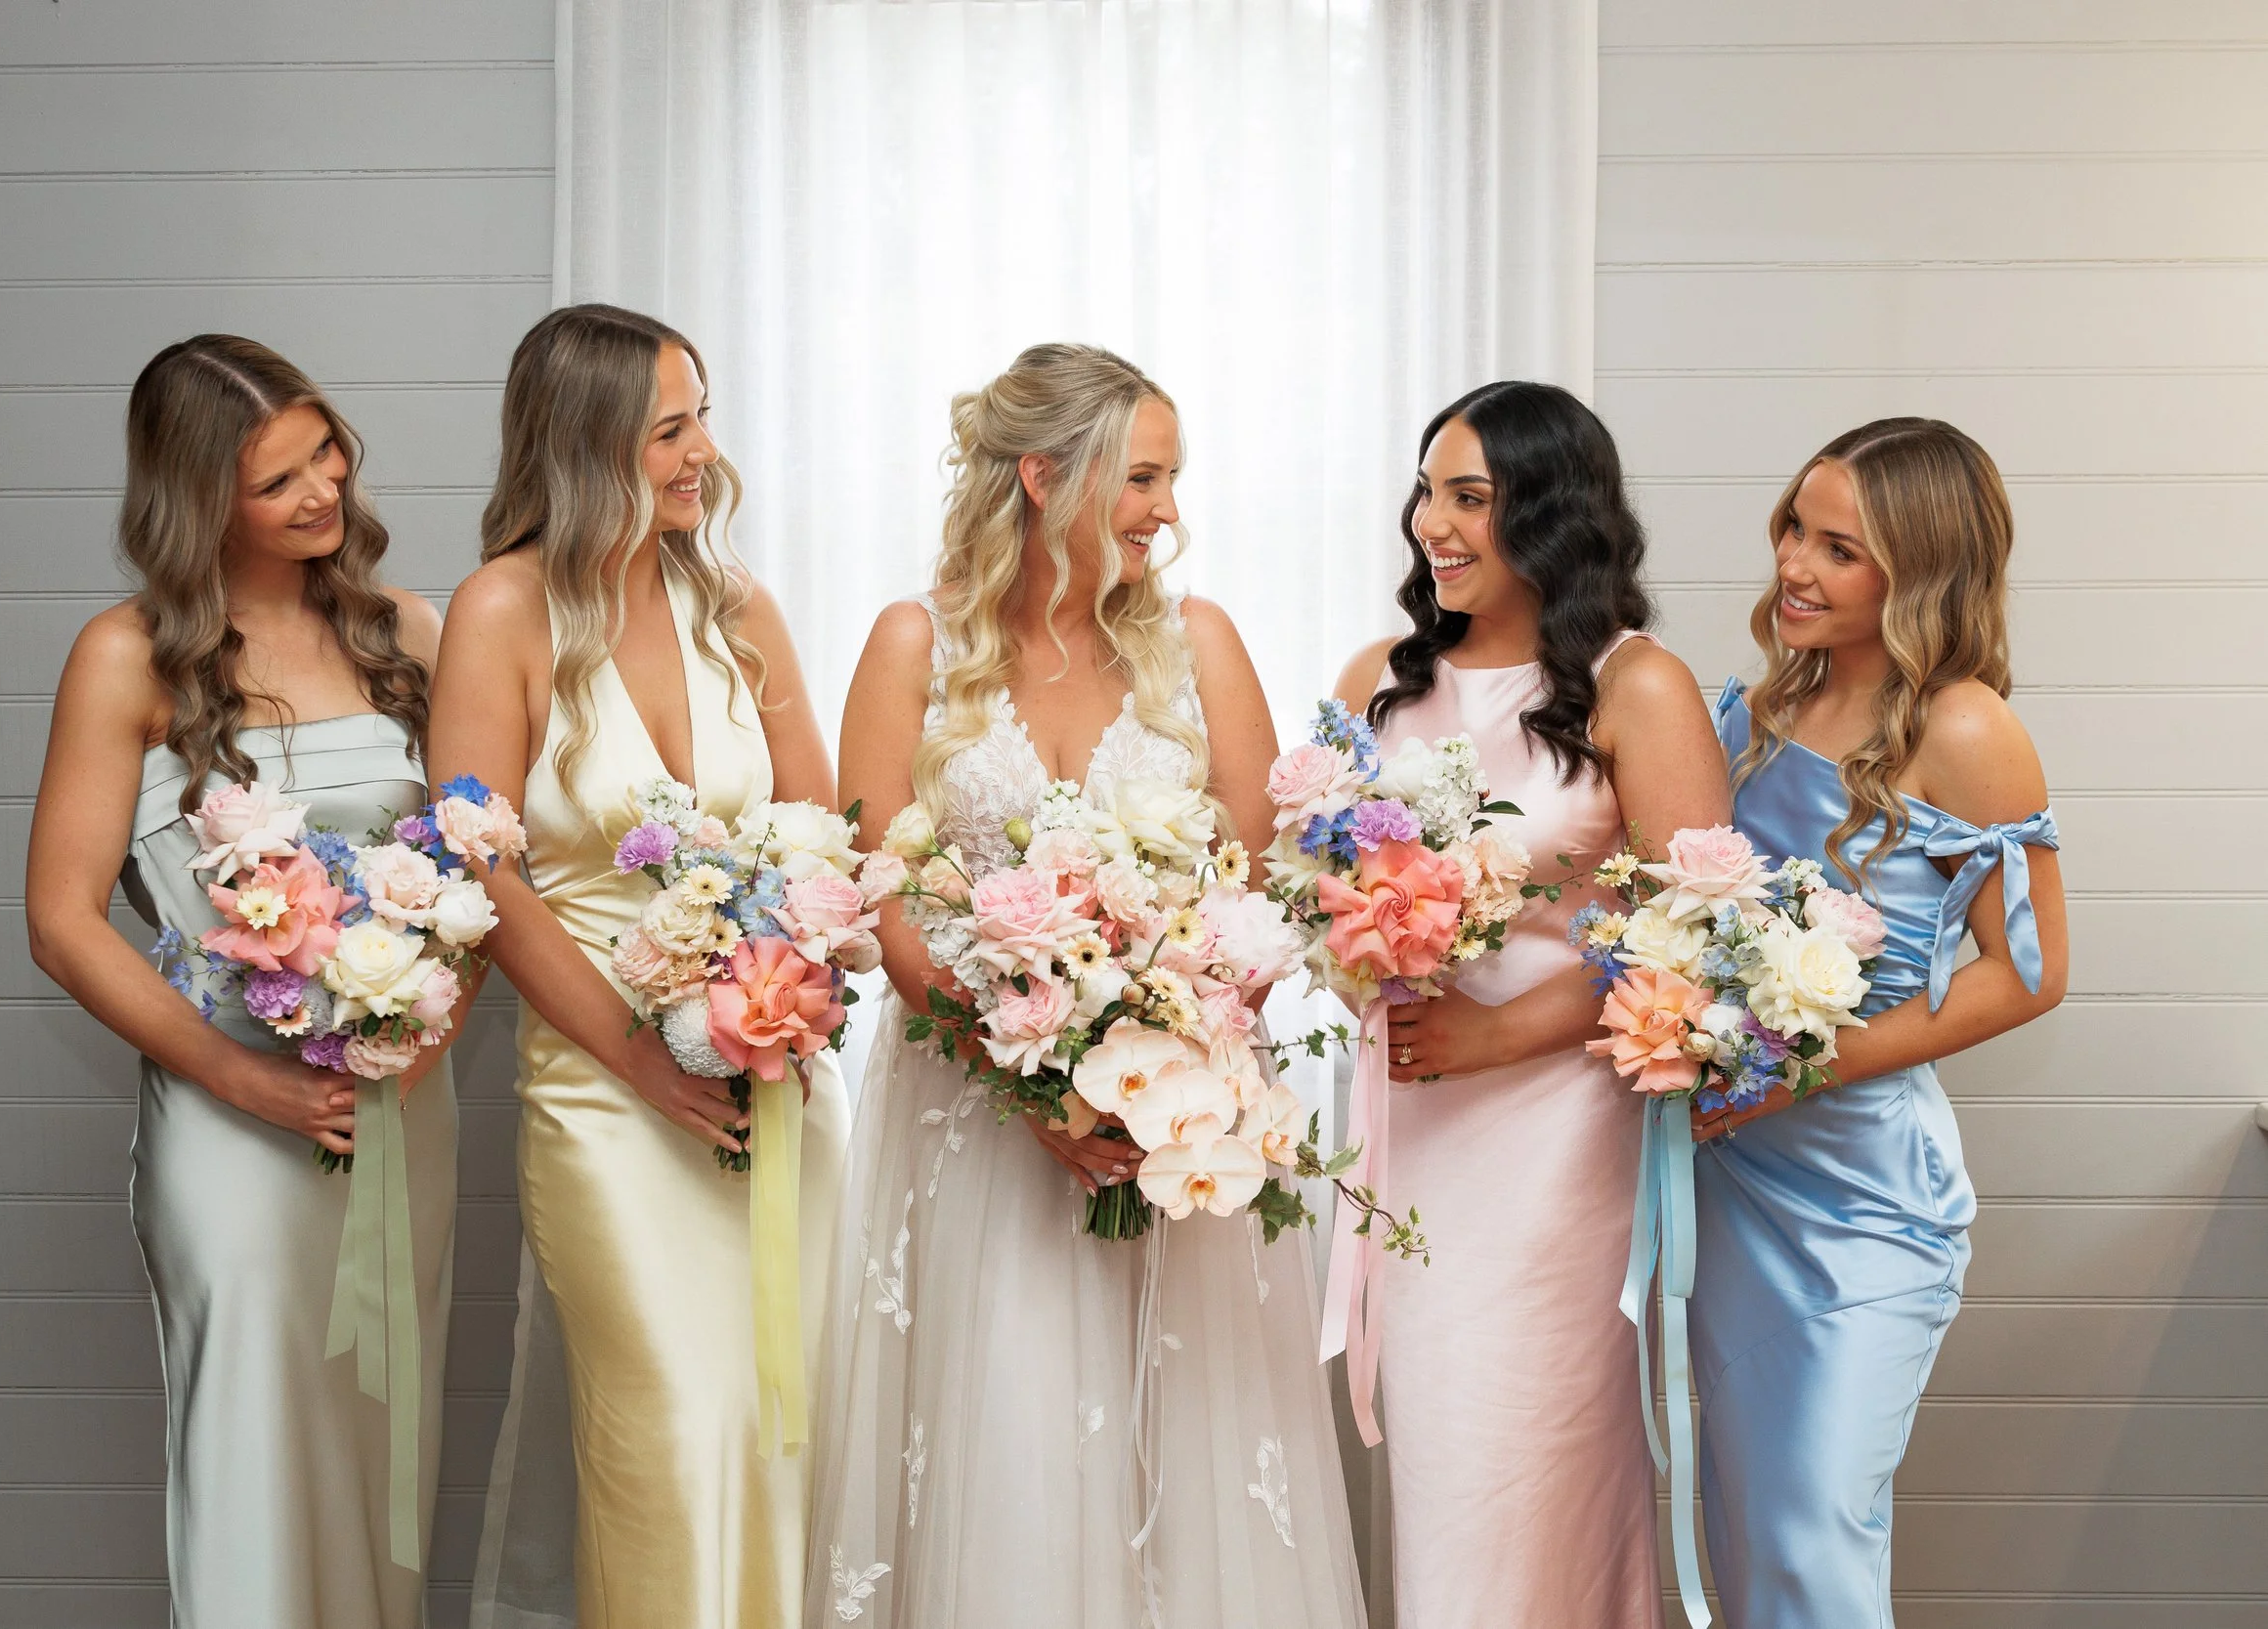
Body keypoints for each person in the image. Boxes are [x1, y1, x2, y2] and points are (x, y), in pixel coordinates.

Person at [810, 343, 1367, 1627]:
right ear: (1043, 474)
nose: (1168, 509)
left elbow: (1253, 875)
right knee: (1005, 1422)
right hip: (973, 1115)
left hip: (1180, 1122)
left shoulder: (1197, 641)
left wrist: (1154, 1062)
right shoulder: (914, 641)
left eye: (1172, 479)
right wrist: (1037, 1086)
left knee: (1189, 1447)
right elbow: (886, 891)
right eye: (1146, 476)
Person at [24, 334, 454, 1627]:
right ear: (200, 498)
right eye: (279, 480)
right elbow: (61, 916)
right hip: (231, 1119)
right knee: (256, 1451)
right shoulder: (126, 656)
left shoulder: (408, 631)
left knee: (383, 1454)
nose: (323, 489)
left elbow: (480, 872)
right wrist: (241, 1078)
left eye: (326, 449)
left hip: (398, 1114)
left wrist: (434, 1030)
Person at [431, 303, 846, 1629]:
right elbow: (480, 871)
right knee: (666, 1430)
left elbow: (815, 826)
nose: (703, 454)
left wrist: (777, 998)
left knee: (786, 1428)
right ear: (589, 441)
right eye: (672, 427)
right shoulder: (500, 610)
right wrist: (641, 1057)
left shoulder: (738, 606)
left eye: (703, 417)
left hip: (766, 1084)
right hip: (603, 1096)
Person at [1329, 380, 1729, 1627]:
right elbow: (1310, 875)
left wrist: (1499, 1031)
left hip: (1559, 1141)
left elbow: (1699, 936)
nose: (1432, 524)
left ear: (1550, 515)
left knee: (1530, 1460)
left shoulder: (1636, 684)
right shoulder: (1379, 681)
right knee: (1443, 1467)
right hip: (1413, 1130)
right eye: (1426, 490)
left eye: (1470, 498)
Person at [1692, 418, 2068, 1627]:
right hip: (1730, 1183)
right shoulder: (1753, 712)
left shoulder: (1963, 727)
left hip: (1864, 1202)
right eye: (1794, 528)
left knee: (1809, 1528)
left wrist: (1802, 1071)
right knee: (1747, 1523)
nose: (1794, 564)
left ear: (1919, 571)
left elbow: (2033, 971)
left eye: (1838, 548)